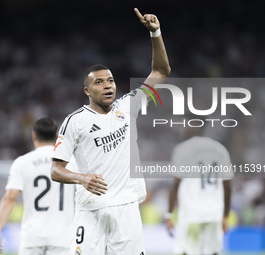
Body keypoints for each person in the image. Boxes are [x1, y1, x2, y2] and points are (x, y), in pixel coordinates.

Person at [50, 8, 171, 255]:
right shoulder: (75, 121)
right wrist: (81, 178)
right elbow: (55, 170)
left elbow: (161, 72)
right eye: (99, 82)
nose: (108, 86)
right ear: (87, 91)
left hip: (126, 207)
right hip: (91, 209)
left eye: (111, 81)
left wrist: (155, 33)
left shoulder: (129, 106)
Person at [0, 117, 76, 255]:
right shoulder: (70, 162)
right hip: (63, 237)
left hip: (32, 237)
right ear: (56, 136)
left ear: (33, 136)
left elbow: (9, 198)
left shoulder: (22, 162)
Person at [165, 117, 233, 255]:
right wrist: (225, 216)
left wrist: (169, 215)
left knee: (186, 251)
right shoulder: (220, 149)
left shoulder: (183, 149)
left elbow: (175, 185)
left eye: (185, 125)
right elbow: (227, 186)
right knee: (213, 252)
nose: (182, 129)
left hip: (191, 213)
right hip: (214, 213)